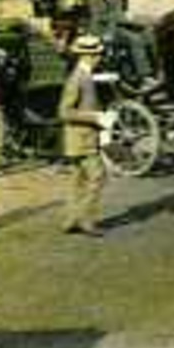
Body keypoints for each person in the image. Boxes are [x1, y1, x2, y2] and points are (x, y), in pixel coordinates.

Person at [59, 34, 110, 237]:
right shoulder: (77, 79)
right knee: (98, 176)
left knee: (76, 180)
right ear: (88, 56)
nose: (100, 58)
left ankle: (71, 220)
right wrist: (96, 117)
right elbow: (64, 112)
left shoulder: (85, 75)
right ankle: (86, 220)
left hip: (79, 139)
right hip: (82, 140)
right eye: (97, 54)